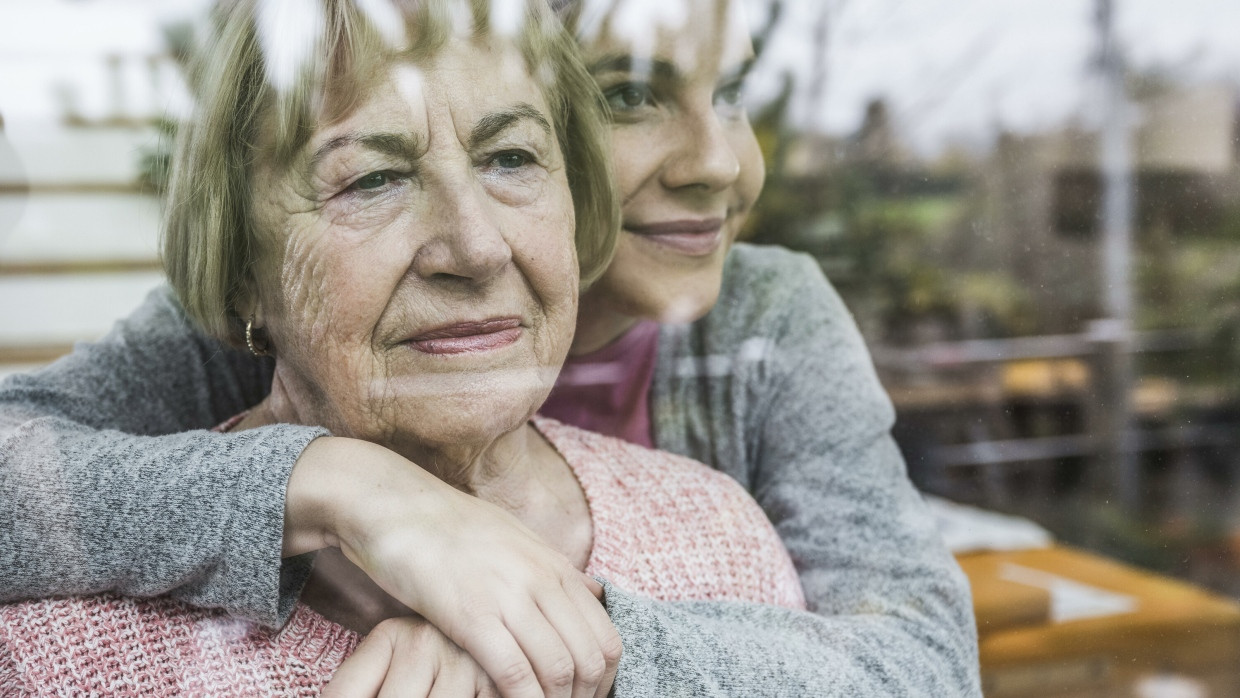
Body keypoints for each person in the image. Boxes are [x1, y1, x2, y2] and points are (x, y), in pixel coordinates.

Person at [0, 0, 982, 695]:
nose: (721, 161)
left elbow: (920, 665)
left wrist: (544, 645)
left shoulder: (754, 355)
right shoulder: (230, 334)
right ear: (243, 282)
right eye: (371, 178)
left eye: (512, 157)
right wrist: (342, 483)